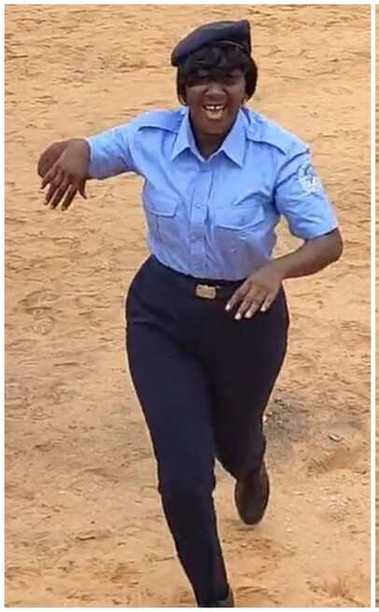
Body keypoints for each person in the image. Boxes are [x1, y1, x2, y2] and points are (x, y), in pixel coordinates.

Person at [37, 20, 344, 606]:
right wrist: (74, 149)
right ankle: (215, 598)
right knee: (183, 477)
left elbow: (327, 241)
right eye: (201, 78)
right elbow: (88, 154)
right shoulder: (151, 135)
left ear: (246, 86)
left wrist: (276, 270)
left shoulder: (279, 152)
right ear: (183, 89)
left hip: (246, 317)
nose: (214, 91)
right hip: (163, 316)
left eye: (229, 78)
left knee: (235, 442)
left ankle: (251, 465)